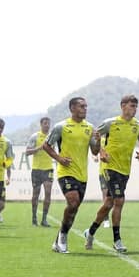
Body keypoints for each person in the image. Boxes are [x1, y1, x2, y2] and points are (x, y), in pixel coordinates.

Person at [83, 95, 139, 253]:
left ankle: (90, 232)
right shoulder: (111, 123)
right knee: (119, 200)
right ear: (123, 106)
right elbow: (95, 135)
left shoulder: (138, 125)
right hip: (110, 168)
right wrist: (101, 152)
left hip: (125, 169)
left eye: (136, 106)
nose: (134, 109)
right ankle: (117, 240)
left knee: (108, 204)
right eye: (132, 105)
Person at [43, 97, 101, 254]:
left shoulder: (89, 128)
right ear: (72, 108)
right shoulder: (61, 127)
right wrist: (60, 159)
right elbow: (46, 146)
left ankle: (59, 239)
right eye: (81, 106)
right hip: (66, 172)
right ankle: (62, 237)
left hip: (82, 174)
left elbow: (95, 151)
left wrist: (98, 141)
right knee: (73, 202)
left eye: (86, 106)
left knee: (74, 209)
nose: (85, 109)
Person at [25, 117, 54, 227]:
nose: (47, 125)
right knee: (35, 194)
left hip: (48, 169)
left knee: (48, 193)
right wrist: (39, 148)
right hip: (37, 169)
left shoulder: (52, 136)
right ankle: (34, 218)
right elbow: (27, 152)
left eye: (48, 123)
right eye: (45, 123)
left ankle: (44, 219)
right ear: (41, 124)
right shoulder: (35, 136)